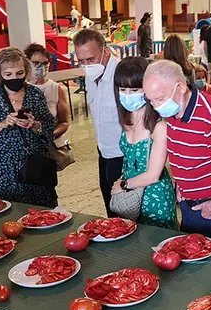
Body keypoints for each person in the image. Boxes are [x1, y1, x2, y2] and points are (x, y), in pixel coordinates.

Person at [143, 60, 211, 242]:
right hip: (189, 205)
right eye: (150, 100)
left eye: (160, 99)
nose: (156, 106)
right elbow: (181, 151)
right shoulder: (172, 110)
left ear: (181, 87)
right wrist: (182, 185)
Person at [0, 48, 56, 207]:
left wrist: (35, 124)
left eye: (19, 73)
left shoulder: (35, 93)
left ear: (26, 71)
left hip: (34, 162)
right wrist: (3, 124)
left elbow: (49, 124)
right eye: (8, 74)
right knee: (8, 209)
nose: (14, 78)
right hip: (4, 165)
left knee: (42, 210)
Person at [109, 57, 177, 230]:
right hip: (130, 196)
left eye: (134, 90)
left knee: (157, 245)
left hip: (154, 196)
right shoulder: (126, 118)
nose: (127, 95)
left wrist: (123, 185)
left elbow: (153, 174)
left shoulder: (159, 124)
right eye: (122, 89)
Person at [74, 29, 124, 217]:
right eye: (81, 61)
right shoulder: (90, 76)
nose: (86, 65)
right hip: (103, 151)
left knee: (124, 210)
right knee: (109, 206)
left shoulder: (121, 75)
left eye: (91, 59)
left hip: (123, 154)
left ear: (105, 51)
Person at [24, 43, 70, 138]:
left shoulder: (56, 88)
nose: (41, 67)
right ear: (27, 63)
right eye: (36, 63)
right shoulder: (19, 88)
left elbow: (64, 122)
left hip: (53, 143)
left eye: (45, 63)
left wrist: (50, 136)